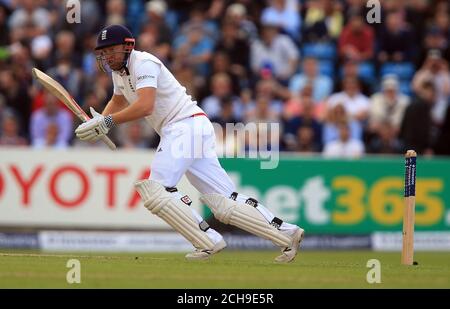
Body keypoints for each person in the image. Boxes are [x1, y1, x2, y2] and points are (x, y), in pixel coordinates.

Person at [74, 25, 304, 262]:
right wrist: (99, 121)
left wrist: (107, 122)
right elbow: (118, 99)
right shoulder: (118, 73)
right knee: (224, 201)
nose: (108, 56)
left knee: (157, 191)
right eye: (104, 52)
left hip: (184, 125)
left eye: (112, 50)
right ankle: (288, 234)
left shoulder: (144, 63)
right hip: (188, 128)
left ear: (127, 46)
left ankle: (208, 241)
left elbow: (145, 106)